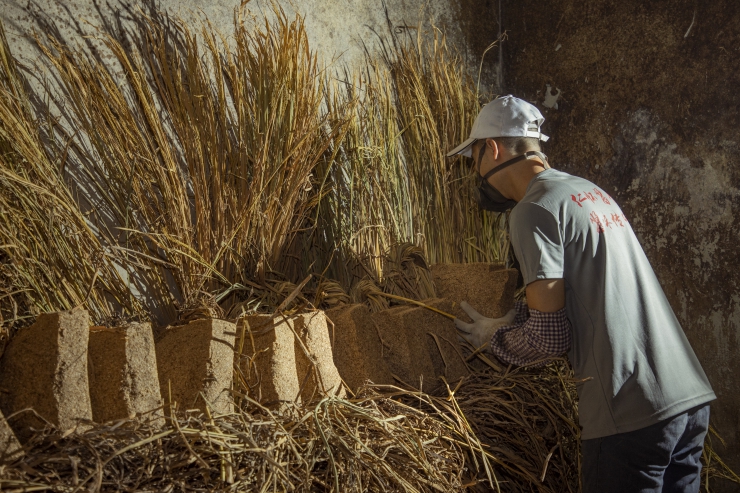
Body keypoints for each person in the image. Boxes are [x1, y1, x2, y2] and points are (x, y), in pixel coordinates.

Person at [447, 95, 716, 493]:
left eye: (475, 161)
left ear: (493, 148)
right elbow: (590, 285)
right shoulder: (588, 192)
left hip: (630, 411)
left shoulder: (532, 209)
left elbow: (549, 339)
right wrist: (518, 314)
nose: (478, 173)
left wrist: (493, 338)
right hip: (688, 399)